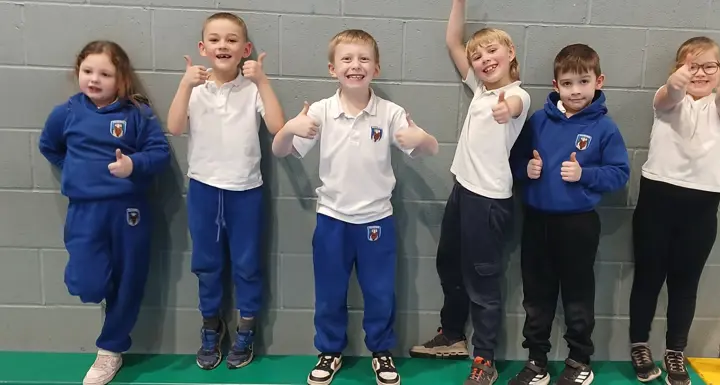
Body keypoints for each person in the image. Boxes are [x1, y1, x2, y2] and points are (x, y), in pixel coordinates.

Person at [272, 29, 438, 385]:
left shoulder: (390, 113)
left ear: (376, 68)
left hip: (377, 220)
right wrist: (288, 128)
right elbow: (280, 150)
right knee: (329, 292)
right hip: (332, 218)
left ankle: (381, 351)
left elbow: (431, 148)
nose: (355, 65)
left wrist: (423, 139)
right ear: (333, 69)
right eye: (346, 59)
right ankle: (329, 351)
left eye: (364, 59)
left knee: (380, 292)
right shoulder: (320, 111)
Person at [408, 1, 531, 384]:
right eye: (477, 56)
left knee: (482, 283)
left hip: (489, 202)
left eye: (492, 51)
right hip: (462, 193)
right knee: (449, 264)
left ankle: (485, 360)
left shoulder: (517, 95)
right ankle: (452, 334)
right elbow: (452, 41)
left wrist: (506, 111)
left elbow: (515, 107)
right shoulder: (479, 89)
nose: (484, 59)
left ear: (511, 53)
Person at [38, 40, 171, 385]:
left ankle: (110, 350)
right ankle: (99, 286)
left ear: (121, 78)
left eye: (105, 74)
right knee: (88, 282)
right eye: (87, 71)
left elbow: (160, 154)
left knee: (128, 282)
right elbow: (49, 146)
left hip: (130, 212)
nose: (94, 79)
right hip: (85, 211)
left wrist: (133, 165)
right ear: (78, 72)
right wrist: (76, 172)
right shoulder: (66, 112)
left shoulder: (137, 113)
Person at [166, 11, 285, 370]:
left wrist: (263, 80)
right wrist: (184, 85)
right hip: (203, 189)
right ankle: (211, 327)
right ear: (203, 48)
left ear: (245, 49)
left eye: (232, 40)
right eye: (215, 39)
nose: (223, 45)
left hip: (246, 191)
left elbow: (278, 127)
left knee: (247, 264)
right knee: (207, 264)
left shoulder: (252, 89)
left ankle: (246, 329)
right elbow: (174, 127)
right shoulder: (195, 88)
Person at [507, 43, 630, 385]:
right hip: (536, 221)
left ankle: (579, 361)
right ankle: (537, 362)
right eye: (568, 83)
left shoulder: (605, 128)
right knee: (536, 296)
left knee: (577, 295)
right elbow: (513, 160)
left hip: (578, 224)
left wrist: (585, 175)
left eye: (583, 81)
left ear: (598, 81)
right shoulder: (537, 121)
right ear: (556, 85)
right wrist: (525, 169)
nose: (576, 90)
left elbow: (620, 173)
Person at [628, 36, 720, 385]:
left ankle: (675, 350)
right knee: (648, 278)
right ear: (678, 69)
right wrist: (676, 83)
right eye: (692, 66)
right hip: (657, 197)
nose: (701, 73)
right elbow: (669, 95)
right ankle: (639, 345)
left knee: (685, 283)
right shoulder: (667, 99)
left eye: (710, 66)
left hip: (702, 205)